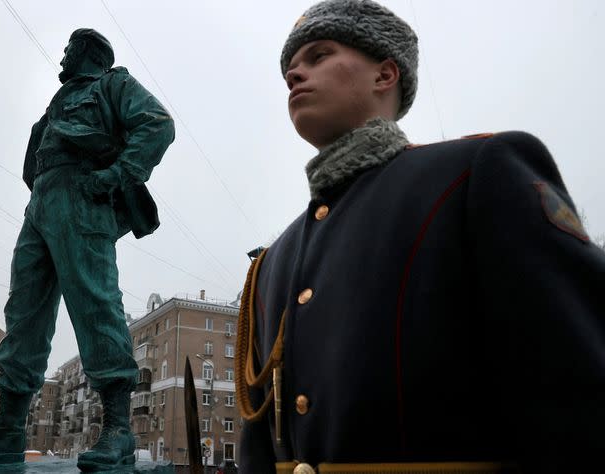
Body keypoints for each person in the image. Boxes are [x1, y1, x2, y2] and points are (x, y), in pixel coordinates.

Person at [234, 1, 605, 473]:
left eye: (319, 55)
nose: (295, 75)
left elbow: (579, 387)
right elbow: (260, 448)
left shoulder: (474, 175)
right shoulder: (272, 262)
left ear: (385, 75)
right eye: (290, 69)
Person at [0, 28, 175, 472]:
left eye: (69, 49)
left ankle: (118, 430)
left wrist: (116, 175)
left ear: (89, 53)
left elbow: (158, 124)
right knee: (24, 310)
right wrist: (43, 194)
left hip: (81, 198)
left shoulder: (113, 85)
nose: (62, 57)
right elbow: (35, 161)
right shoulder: (56, 103)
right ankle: (7, 430)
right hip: (42, 204)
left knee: (95, 303)